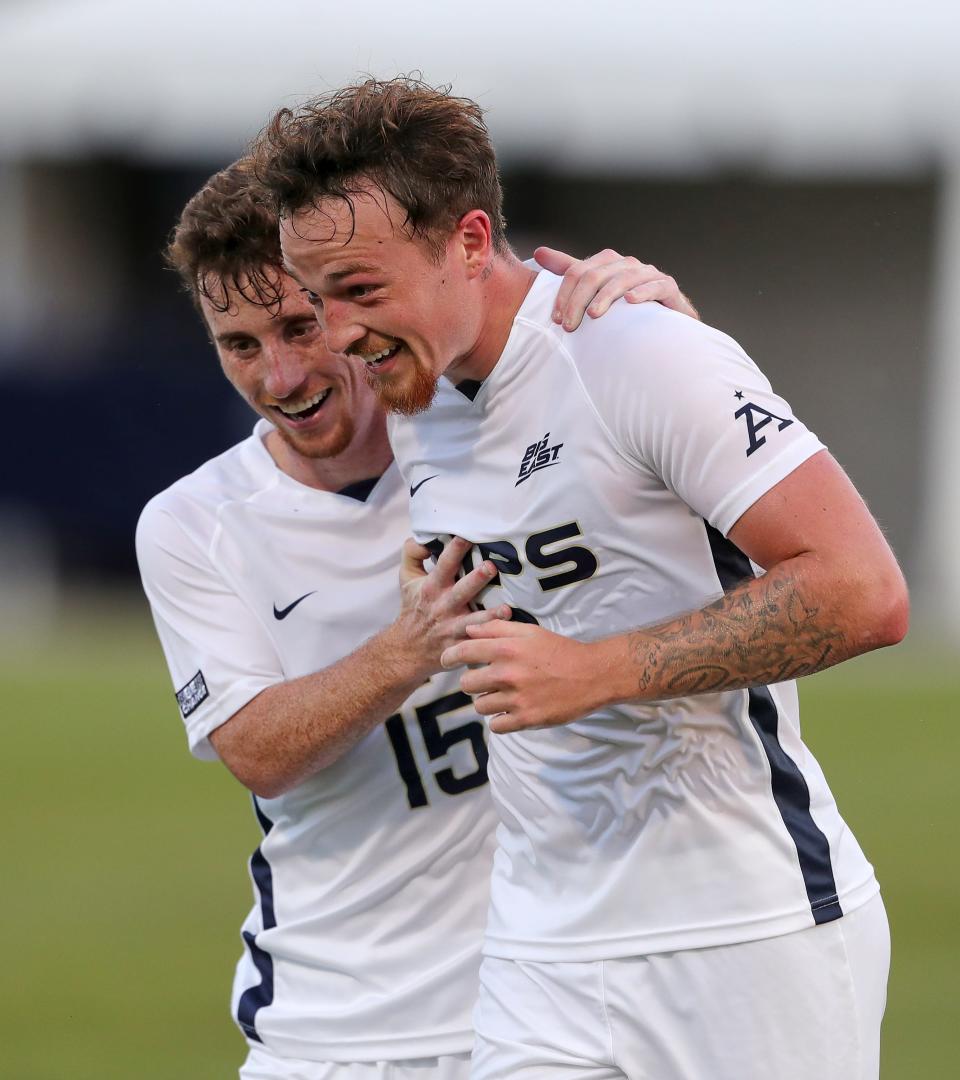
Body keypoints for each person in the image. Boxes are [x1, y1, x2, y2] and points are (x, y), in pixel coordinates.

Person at [255, 77, 910, 1080]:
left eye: (360, 289)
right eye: (316, 295)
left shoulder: (636, 351)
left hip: (747, 931)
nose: (336, 332)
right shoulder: (416, 392)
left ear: (471, 243)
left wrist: (601, 670)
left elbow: (863, 591)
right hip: (540, 942)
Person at [135, 157, 696, 1080]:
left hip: (562, 997)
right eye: (237, 344)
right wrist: (407, 648)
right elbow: (256, 751)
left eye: (299, 325)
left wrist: (664, 327)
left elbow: (692, 505)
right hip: (340, 1025)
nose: (279, 373)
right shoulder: (196, 524)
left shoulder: (487, 431)